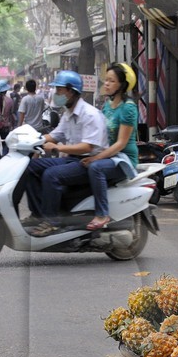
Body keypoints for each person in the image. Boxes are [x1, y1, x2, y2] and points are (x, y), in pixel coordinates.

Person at [18, 70, 108, 233]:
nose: (56, 94)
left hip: (88, 162)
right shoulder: (68, 114)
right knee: (29, 166)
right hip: (72, 159)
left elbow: (87, 147)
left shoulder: (90, 114)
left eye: (59, 90)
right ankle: (37, 214)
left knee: (51, 175)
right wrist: (28, 140)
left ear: (71, 91)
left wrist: (58, 147)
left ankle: (52, 221)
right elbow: (55, 135)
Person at [63, 62, 141, 232]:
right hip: (108, 155)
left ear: (122, 85)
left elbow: (120, 143)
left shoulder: (128, 108)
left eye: (111, 81)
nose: (106, 84)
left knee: (95, 168)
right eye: (106, 80)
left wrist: (96, 158)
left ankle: (102, 214)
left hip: (123, 159)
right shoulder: (107, 106)